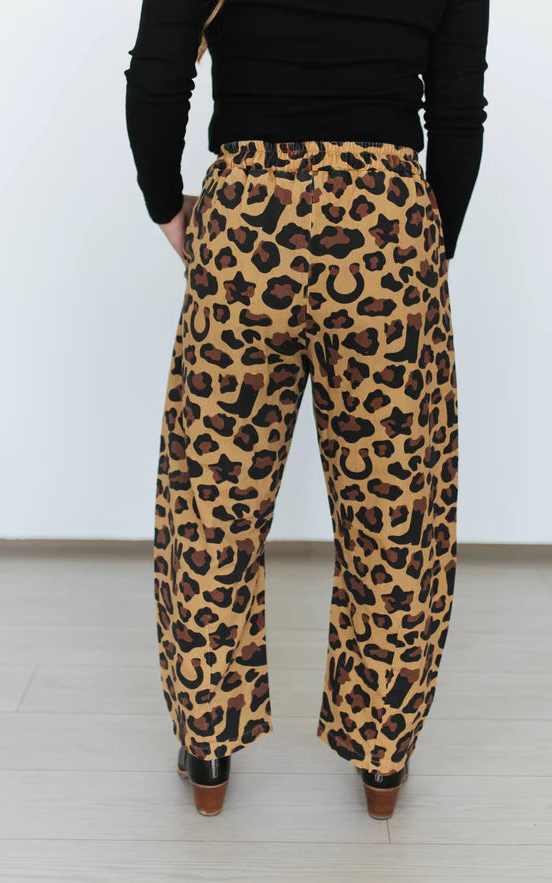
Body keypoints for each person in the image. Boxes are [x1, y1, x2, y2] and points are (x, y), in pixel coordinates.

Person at [124, 0, 489, 820]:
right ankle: (383, 755)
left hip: (248, 223)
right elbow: (458, 111)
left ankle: (208, 742)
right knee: (397, 508)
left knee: (212, 495)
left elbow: (156, 74)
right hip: (388, 223)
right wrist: (425, 249)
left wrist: (166, 204)